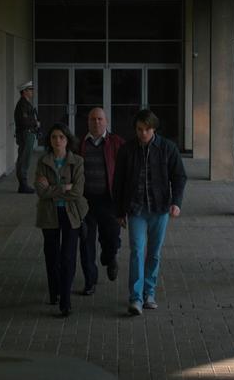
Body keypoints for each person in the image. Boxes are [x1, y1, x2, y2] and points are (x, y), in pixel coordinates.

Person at [113, 109, 187, 316]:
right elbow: (118, 182)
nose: (143, 133)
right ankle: (135, 298)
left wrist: (176, 202)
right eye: (139, 129)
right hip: (136, 209)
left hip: (159, 208)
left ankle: (149, 293)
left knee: (154, 253)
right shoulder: (127, 150)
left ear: (154, 129)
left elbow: (179, 176)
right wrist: (119, 211)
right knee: (137, 251)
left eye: (146, 129)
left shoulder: (167, 148)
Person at [35, 123, 88, 317]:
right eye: (53, 137)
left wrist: (52, 190)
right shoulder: (43, 161)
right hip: (49, 214)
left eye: (61, 137)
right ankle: (54, 292)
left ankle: (65, 301)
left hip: (71, 214)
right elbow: (40, 191)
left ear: (67, 140)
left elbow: (77, 191)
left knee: (67, 257)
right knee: (52, 255)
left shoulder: (78, 161)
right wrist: (63, 188)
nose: (57, 141)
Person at [77, 108, 126, 295]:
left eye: (100, 119)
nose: (96, 122)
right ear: (88, 122)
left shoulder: (116, 143)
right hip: (85, 201)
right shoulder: (80, 143)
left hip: (109, 200)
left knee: (111, 238)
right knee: (86, 242)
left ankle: (110, 257)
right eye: (92, 119)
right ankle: (90, 280)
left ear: (106, 122)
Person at [14, 81, 39, 193]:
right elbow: (24, 121)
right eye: (30, 89)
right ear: (24, 91)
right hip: (25, 134)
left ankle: (23, 184)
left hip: (28, 134)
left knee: (26, 159)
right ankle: (23, 185)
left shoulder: (26, 103)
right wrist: (35, 123)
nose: (32, 91)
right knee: (23, 159)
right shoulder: (22, 105)